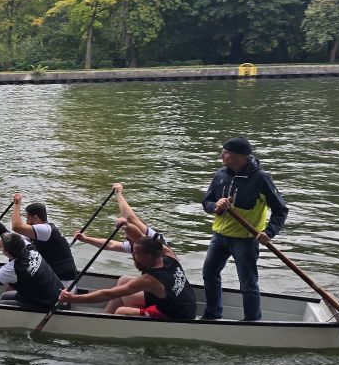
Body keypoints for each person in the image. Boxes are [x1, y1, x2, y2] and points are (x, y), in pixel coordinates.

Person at [200, 136, 288, 321]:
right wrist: (215, 206)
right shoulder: (220, 175)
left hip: (246, 239)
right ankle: (212, 314)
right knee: (209, 273)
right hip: (219, 236)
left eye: (226, 154)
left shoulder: (261, 179)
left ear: (241, 157)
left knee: (248, 283)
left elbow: (281, 209)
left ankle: (252, 321)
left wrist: (269, 232)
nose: (221, 156)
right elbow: (207, 202)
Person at [58, 234, 196, 320]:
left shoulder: (150, 280)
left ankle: (110, 323)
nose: (133, 256)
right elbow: (140, 232)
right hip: (184, 303)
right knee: (123, 280)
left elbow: (108, 294)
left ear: (148, 256)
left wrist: (73, 298)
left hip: (177, 316)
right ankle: (105, 317)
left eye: (135, 253)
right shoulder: (168, 254)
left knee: (121, 311)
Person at [0, 193, 78, 285]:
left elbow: (16, 226)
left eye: (27, 218)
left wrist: (17, 203)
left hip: (64, 282)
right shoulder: (36, 234)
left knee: (19, 274)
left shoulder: (46, 230)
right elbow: (11, 239)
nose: (26, 222)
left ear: (35, 218)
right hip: (52, 276)